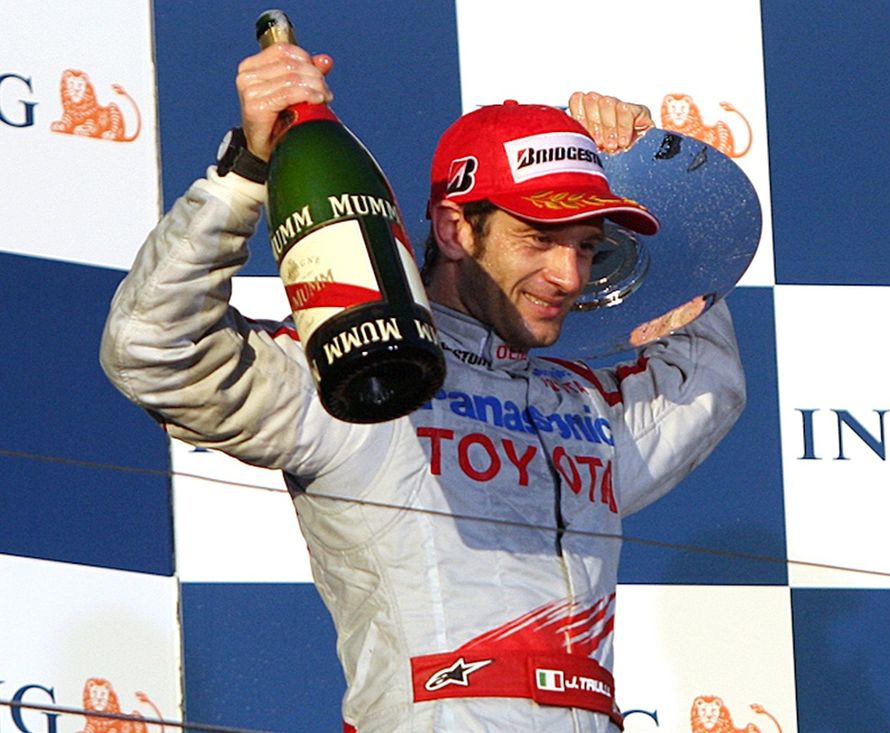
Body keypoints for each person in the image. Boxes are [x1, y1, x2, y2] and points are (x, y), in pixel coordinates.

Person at [100, 42, 746, 733]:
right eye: (539, 239)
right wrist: (245, 174)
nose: (569, 275)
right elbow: (152, 347)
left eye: (589, 245)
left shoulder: (586, 402)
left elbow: (708, 378)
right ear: (454, 228)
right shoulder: (361, 365)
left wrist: (639, 168)